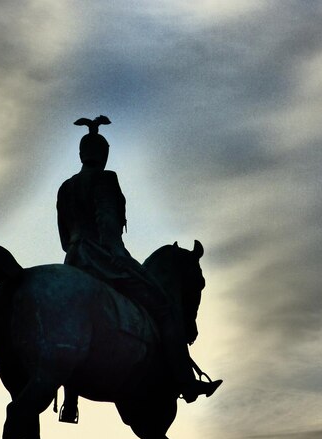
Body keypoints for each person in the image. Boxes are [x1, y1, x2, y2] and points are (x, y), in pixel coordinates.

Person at [56, 116, 221, 422]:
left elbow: (65, 238)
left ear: (81, 155)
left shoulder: (66, 187)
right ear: (103, 155)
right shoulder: (106, 180)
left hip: (74, 260)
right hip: (103, 259)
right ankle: (186, 382)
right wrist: (124, 261)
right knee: (165, 307)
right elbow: (109, 231)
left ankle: (70, 401)